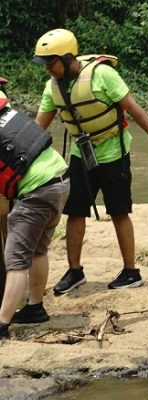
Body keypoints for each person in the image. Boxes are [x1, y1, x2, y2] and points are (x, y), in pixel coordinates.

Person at [32, 28, 148, 294]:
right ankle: (75, 271)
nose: (47, 68)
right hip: (80, 154)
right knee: (75, 211)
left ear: (68, 58)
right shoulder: (52, 87)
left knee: (119, 210)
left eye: (51, 62)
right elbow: (39, 127)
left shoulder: (102, 75)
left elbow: (132, 107)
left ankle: (131, 271)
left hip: (114, 151)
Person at [0, 88, 70, 340]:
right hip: (60, 179)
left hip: (37, 191)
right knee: (38, 249)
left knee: (16, 261)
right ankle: (35, 307)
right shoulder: (6, 112)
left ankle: (2, 323)